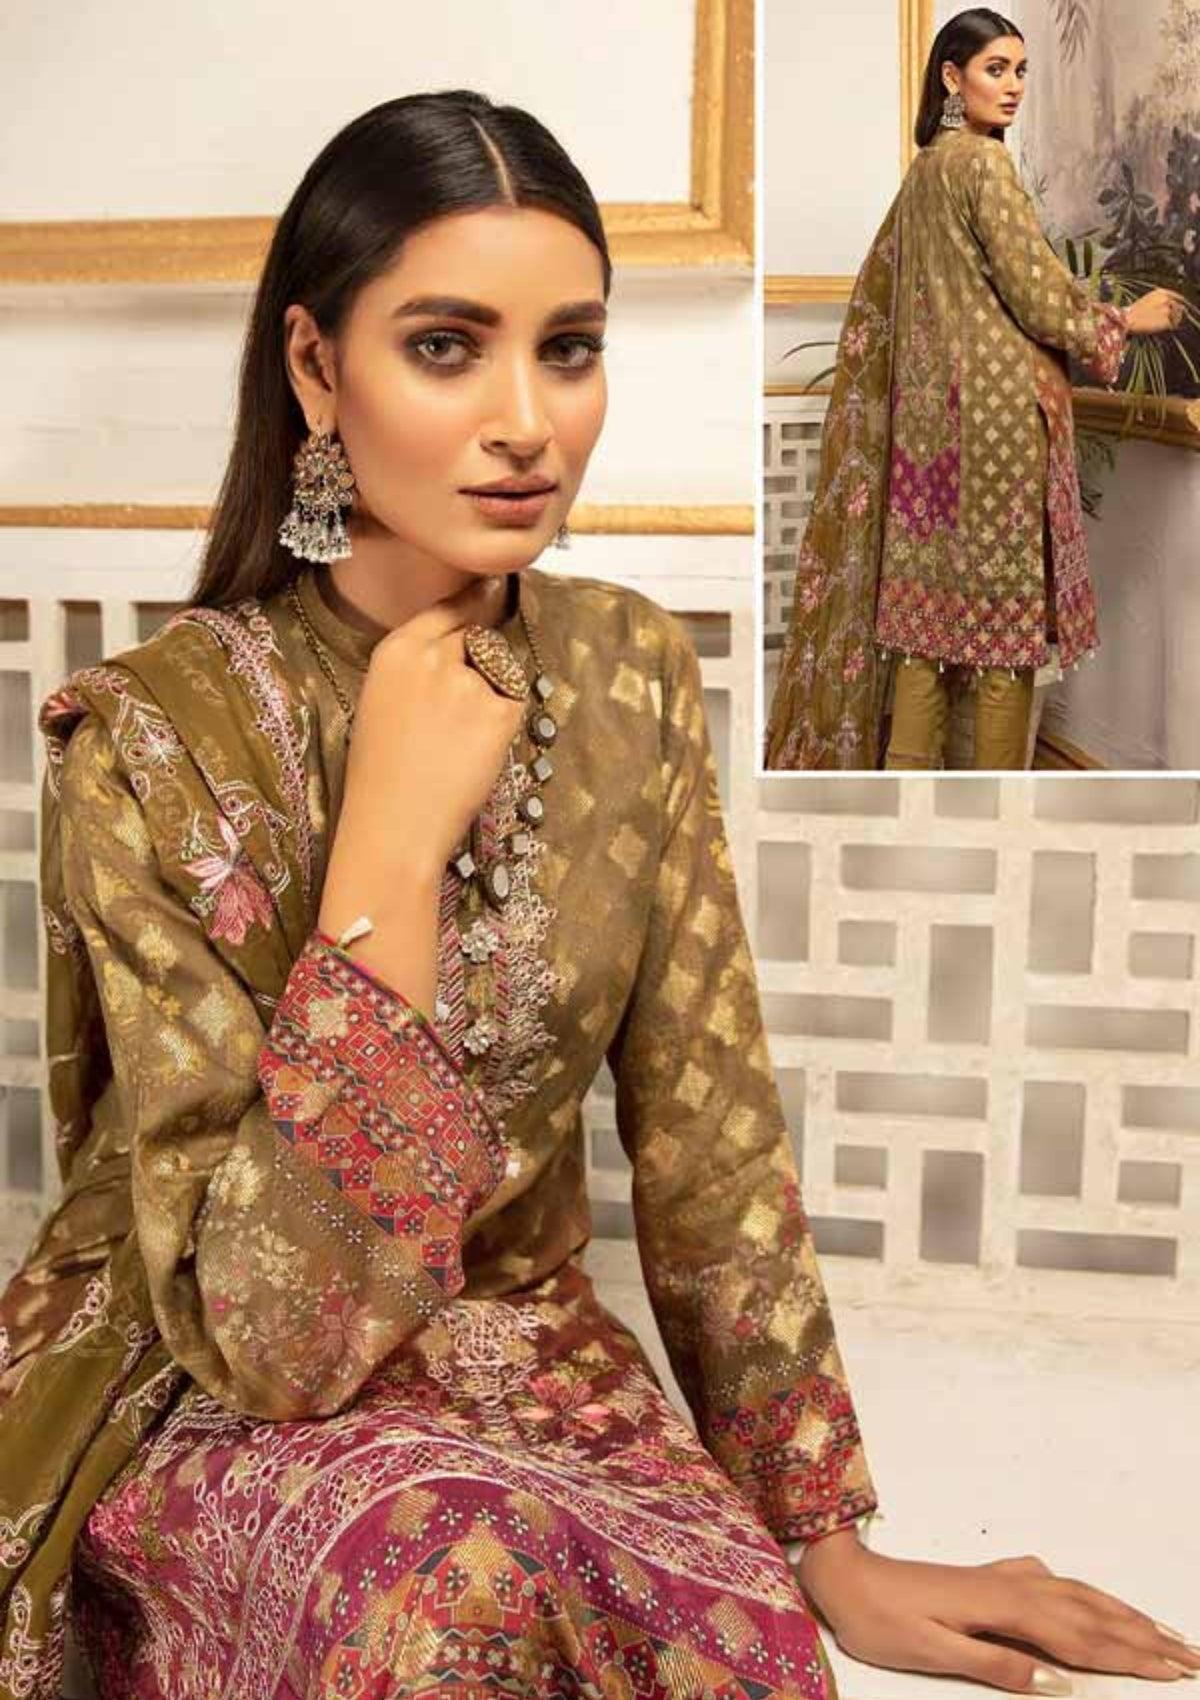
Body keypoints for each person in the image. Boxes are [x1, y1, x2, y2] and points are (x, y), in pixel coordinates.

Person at [0, 88, 1196, 1700]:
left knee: (729, 1641)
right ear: (316, 370)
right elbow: (271, 1341)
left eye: (568, 348)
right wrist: (389, 848)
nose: (528, 421)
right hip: (209, 1378)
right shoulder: (150, 741)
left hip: (527, 1355)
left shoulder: (626, 669)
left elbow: (712, 1138)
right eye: (445, 346)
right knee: (435, 1600)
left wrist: (826, 1538)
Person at [763, 6, 1190, 773]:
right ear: (952, 78)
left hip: (928, 436)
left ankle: (906, 811)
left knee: (923, 636)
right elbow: (1039, 295)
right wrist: (1131, 318)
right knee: (1004, 640)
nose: (1015, 85)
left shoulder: (926, 171)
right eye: (997, 69)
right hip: (994, 435)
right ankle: (994, 815)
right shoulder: (985, 166)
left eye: (1022, 70)